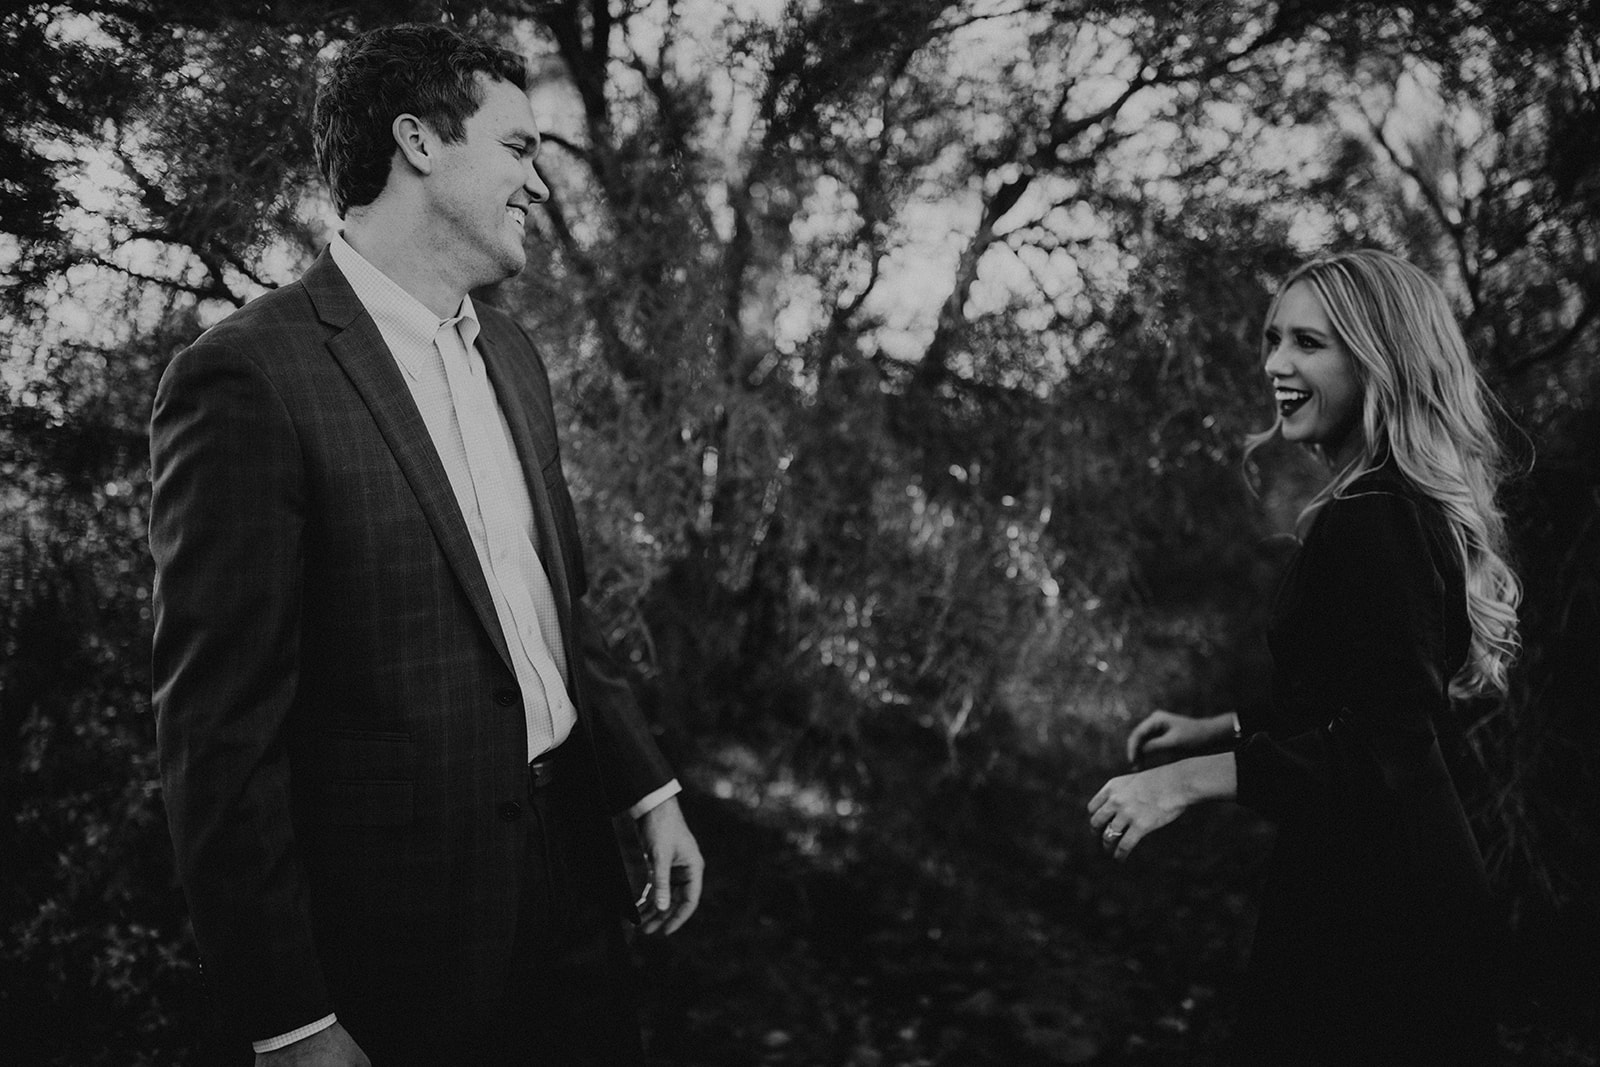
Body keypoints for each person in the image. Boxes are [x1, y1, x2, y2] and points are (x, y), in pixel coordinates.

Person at [149, 22, 703, 1066]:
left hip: (579, 882)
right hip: (404, 946)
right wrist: (292, 1017)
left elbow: (551, 609)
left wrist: (647, 784)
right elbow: (218, 737)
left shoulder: (514, 352)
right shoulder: (249, 378)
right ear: (417, 143)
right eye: (519, 148)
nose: (541, 183)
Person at [1086, 249, 1520, 1066]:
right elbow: (1352, 695)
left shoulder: (1375, 517)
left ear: (1380, 360)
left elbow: (1385, 743)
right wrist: (1219, 725)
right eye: (1273, 338)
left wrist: (1184, 783)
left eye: (1309, 343)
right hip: (1384, 884)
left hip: (1386, 918)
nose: (1276, 364)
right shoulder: (1393, 503)